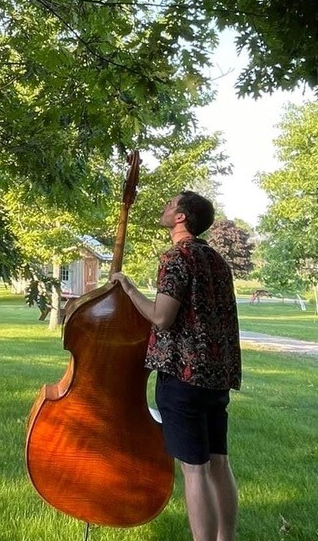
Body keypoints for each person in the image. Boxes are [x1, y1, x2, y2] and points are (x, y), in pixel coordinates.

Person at [111, 191, 241, 541]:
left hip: (183, 377)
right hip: (217, 377)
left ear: (182, 217)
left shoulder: (176, 257)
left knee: (194, 471)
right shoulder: (216, 260)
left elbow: (161, 317)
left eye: (169, 204)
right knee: (218, 463)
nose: (164, 208)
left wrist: (128, 286)